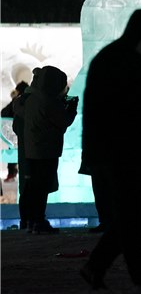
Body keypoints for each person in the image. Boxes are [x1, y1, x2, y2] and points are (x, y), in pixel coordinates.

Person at [79, 7, 141, 289]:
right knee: (131, 214)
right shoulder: (116, 60)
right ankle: (138, 274)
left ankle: (98, 267)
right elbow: (99, 111)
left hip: (136, 151)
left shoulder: (130, 57)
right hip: (120, 151)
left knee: (131, 214)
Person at [15, 67, 77, 234]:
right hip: (46, 150)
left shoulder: (30, 99)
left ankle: (31, 221)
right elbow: (63, 122)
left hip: (32, 150)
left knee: (33, 187)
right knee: (41, 188)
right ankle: (39, 221)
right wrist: (71, 110)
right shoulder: (48, 101)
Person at [1, 81, 29, 182]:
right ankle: (19, 173)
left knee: (16, 152)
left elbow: (4, 112)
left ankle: (13, 173)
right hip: (23, 132)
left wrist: (14, 98)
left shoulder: (18, 100)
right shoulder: (30, 99)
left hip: (15, 132)